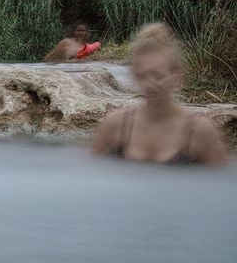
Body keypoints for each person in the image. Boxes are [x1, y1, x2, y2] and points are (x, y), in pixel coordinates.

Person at [92, 23, 227, 164]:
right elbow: (91, 176)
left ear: (177, 76)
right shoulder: (115, 125)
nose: (150, 84)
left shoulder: (199, 131)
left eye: (158, 76)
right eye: (142, 76)